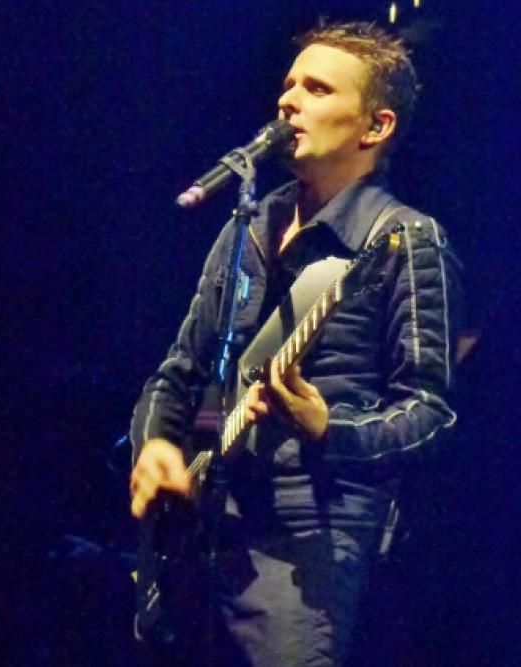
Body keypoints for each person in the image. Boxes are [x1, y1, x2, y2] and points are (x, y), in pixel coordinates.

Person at [130, 21, 463, 667]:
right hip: (208, 526)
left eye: (317, 88)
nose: (288, 100)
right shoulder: (249, 226)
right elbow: (179, 372)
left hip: (310, 536)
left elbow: (431, 412)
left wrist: (327, 427)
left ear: (375, 127)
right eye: (288, 85)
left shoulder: (406, 240)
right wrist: (156, 446)